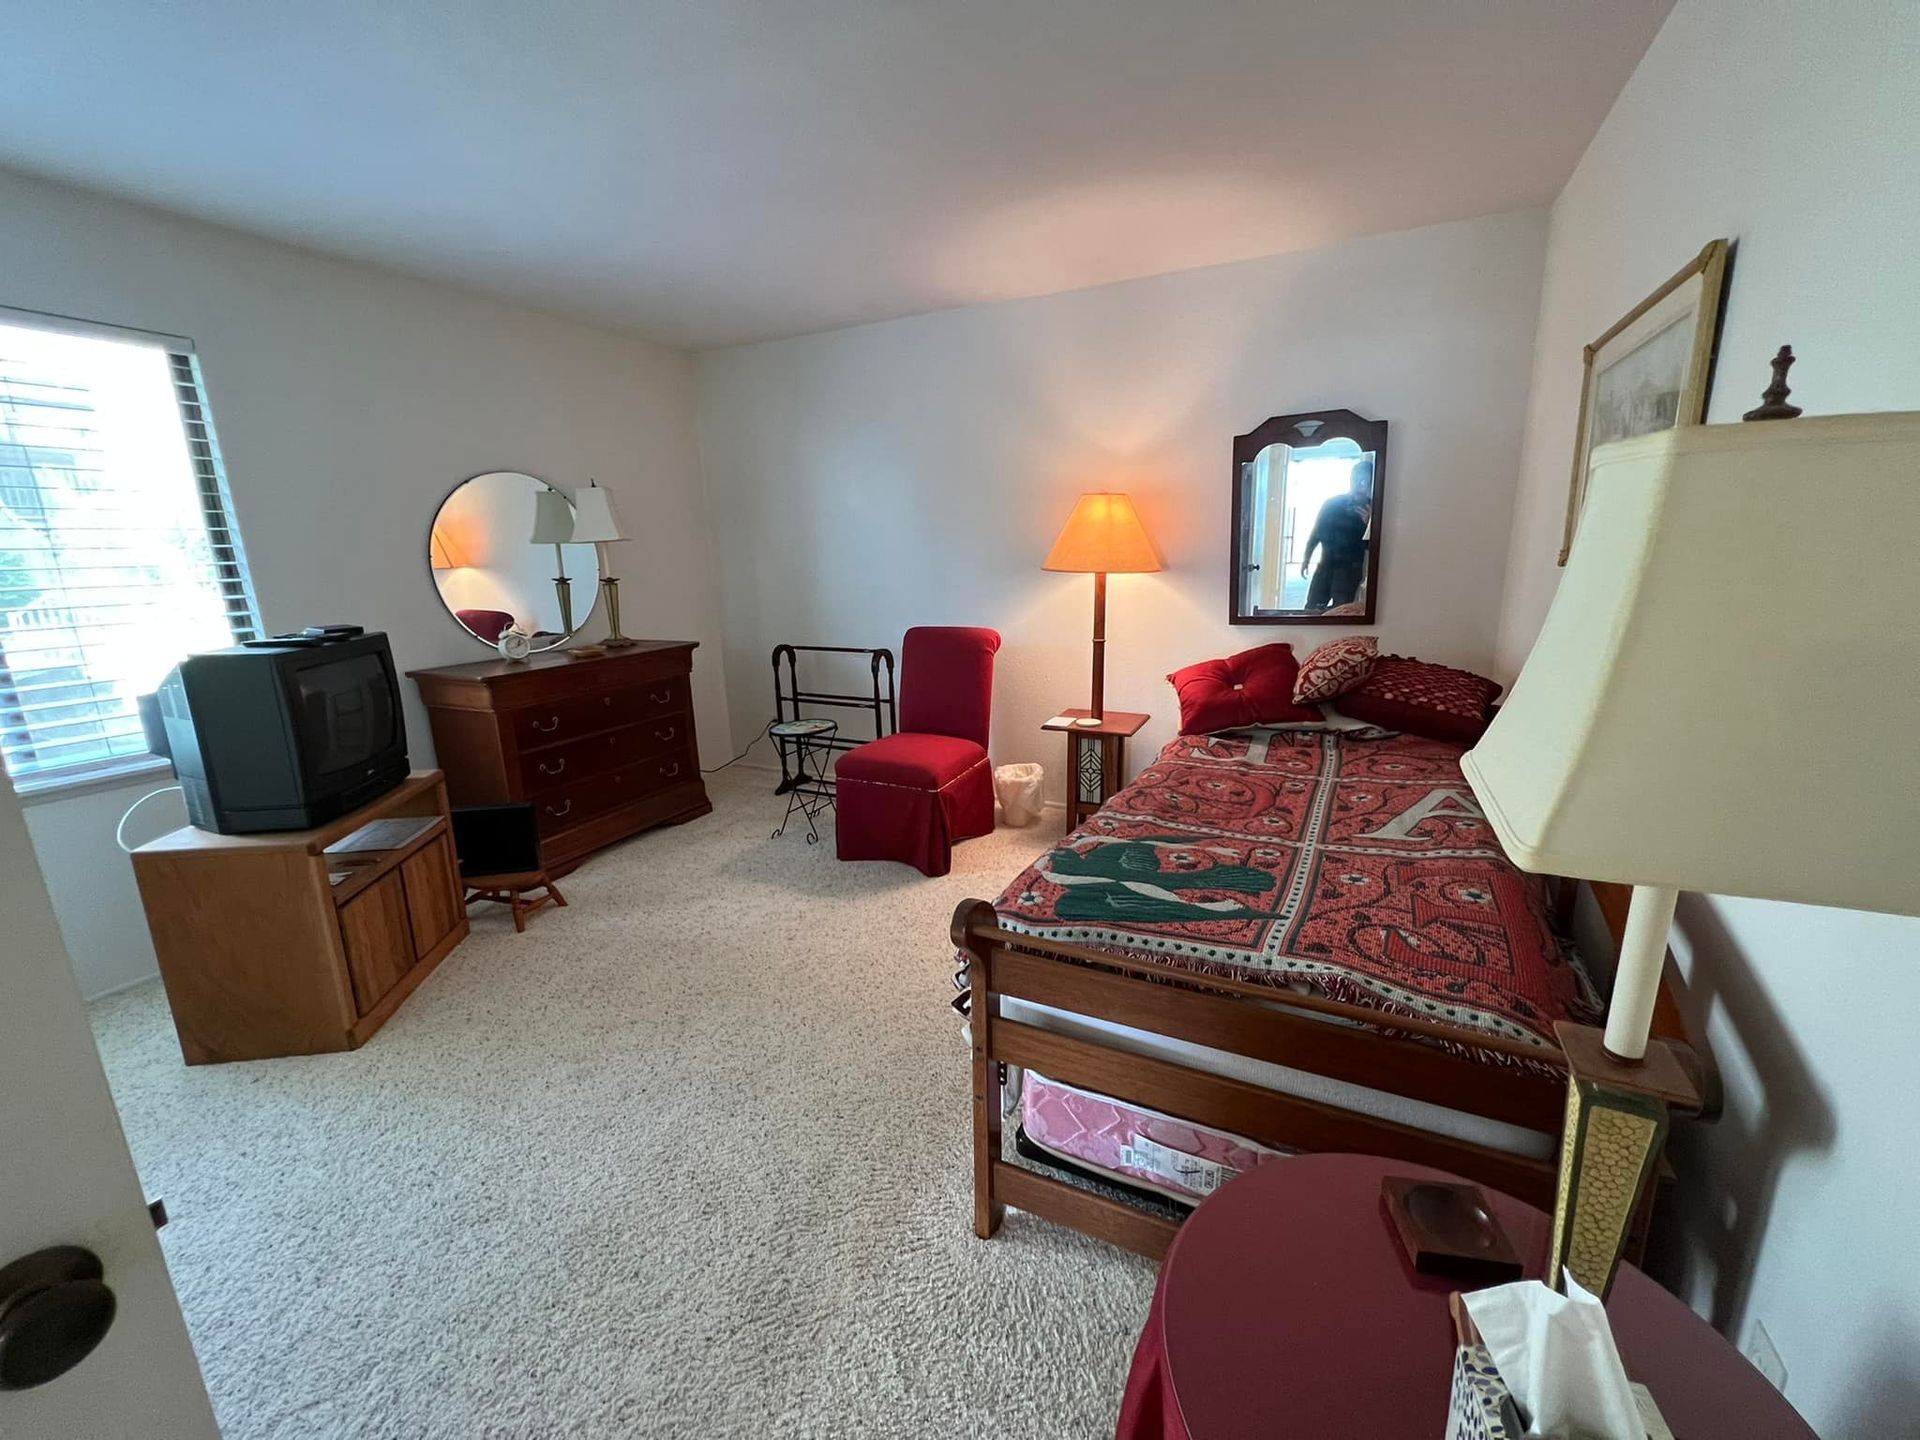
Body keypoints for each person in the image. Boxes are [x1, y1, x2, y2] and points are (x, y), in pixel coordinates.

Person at [1299, 456, 1373, 610]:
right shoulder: (1332, 504)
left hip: (1349, 571)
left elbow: (1374, 549)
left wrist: (1369, 525)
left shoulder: (1373, 510)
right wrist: (1306, 558)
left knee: (1341, 612)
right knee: (1311, 609)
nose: (1359, 484)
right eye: (1355, 479)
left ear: (1370, 484)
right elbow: (1316, 532)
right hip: (1325, 565)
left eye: (1364, 481)